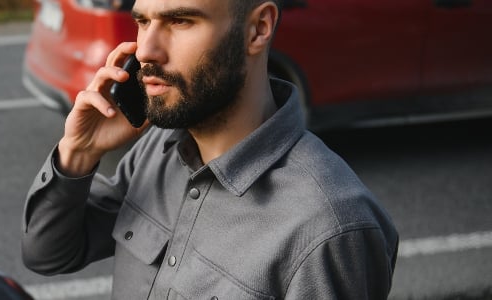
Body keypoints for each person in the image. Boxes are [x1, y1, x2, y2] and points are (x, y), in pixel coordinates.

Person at [20, 0, 399, 298]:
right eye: (143, 21)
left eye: (180, 21)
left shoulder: (330, 227)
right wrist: (78, 155)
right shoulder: (157, 147)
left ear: (258, 29)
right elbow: (48, 253)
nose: (147, 50)